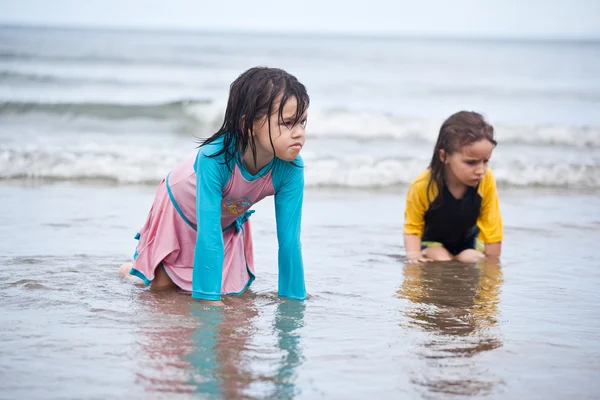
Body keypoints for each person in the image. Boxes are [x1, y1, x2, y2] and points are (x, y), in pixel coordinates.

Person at [119, 67, 309, 305]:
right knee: (162, 291)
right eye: (288, 123)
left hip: (226, 216)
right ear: (248, 124)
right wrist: (208, 300)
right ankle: (131, 269)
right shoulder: (214, 158)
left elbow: (290, 241)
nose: (299, 133)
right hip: (178, 208)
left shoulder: (290, 168)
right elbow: (208, 235)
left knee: (233, 293)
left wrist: (294, 300)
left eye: (303, 122)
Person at [403, 111, 502, 264]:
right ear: (444, 156)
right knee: (441, 257)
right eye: (471, 162)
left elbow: (492, 227)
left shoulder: (486, 180)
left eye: (486, 161)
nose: (481, 170)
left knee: (470, 257)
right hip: (432, 244)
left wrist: (493, 265)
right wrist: (414, 257)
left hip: (470, 244)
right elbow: (412, 228)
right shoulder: (423, 185)